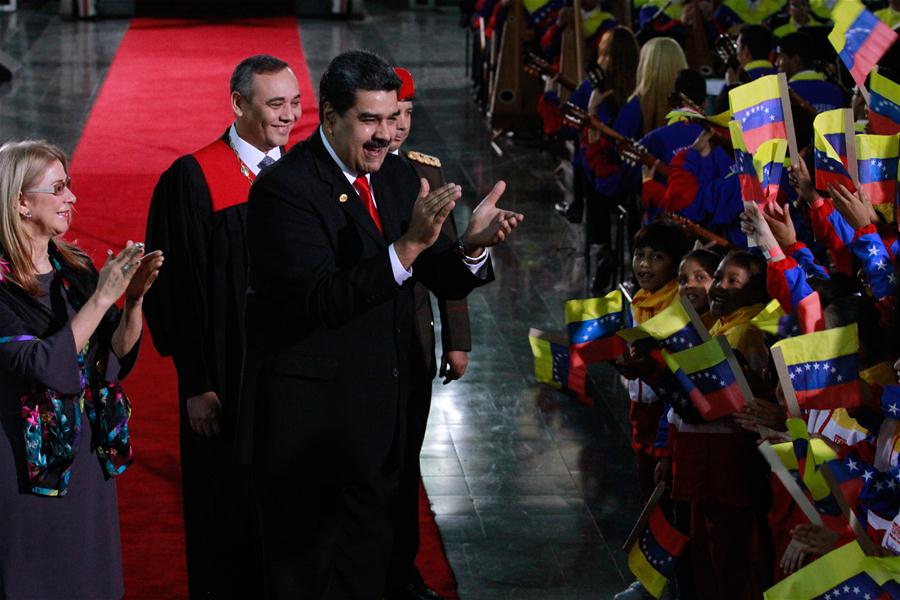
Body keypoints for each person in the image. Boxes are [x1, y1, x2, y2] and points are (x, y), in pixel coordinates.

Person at [238, 50, 523, 600]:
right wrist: (409, 245)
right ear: (330, 117)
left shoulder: (396, 176)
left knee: (372, 570)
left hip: (381, 424)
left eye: (393, 118)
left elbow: (434, 273)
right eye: (369, 119)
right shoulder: (284, 190)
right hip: (313, 435)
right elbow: (321, 300)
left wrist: (469, 246)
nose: (385, 135)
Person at [143, 54, 300, 598]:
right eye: (275, 104)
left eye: (295, 103)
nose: (288, 116)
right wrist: (196, 382)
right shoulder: (193, 178)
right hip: (226, 377)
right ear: (238, 104)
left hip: (292, 376)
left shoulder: (303, 174)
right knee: (226, 510)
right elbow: (175, 290)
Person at [0, 140, 163, 599]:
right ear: (21, 202)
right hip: (25, 464)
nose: (71, 197)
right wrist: (103, 298)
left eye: (68, 185)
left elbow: (111, 361)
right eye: (58, 188)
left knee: (90, 578)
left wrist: (133, 301)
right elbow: (40, 365)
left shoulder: (75, 267)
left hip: (84, 460)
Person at [384, 67, 472, 600]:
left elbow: (447, 260)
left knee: (406, 460)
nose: (398, 126)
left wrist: (457, 340)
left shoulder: (425, 172)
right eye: (390, 114)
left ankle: (403, 570)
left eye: (407, 114)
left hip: (414, 338)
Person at [776, 32, 848, 112]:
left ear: (796, 60)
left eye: (780, 56)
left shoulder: (781, 95)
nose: (776, 63)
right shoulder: (837, 92)